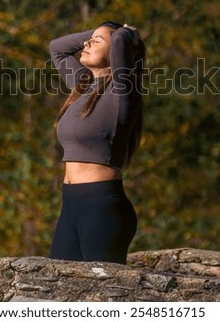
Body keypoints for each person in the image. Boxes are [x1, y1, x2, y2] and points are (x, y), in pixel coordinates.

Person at [48, 21, 146, 264]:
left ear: (114, 52)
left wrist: (127, 34)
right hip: (70, 208)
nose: (87, 43)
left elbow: (122, 40)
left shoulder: (122, 90)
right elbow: (56, 48)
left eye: (98, 41)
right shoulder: (82, 86)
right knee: (59, 294)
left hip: (102, 210)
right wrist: (96, 34)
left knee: (109, 295)